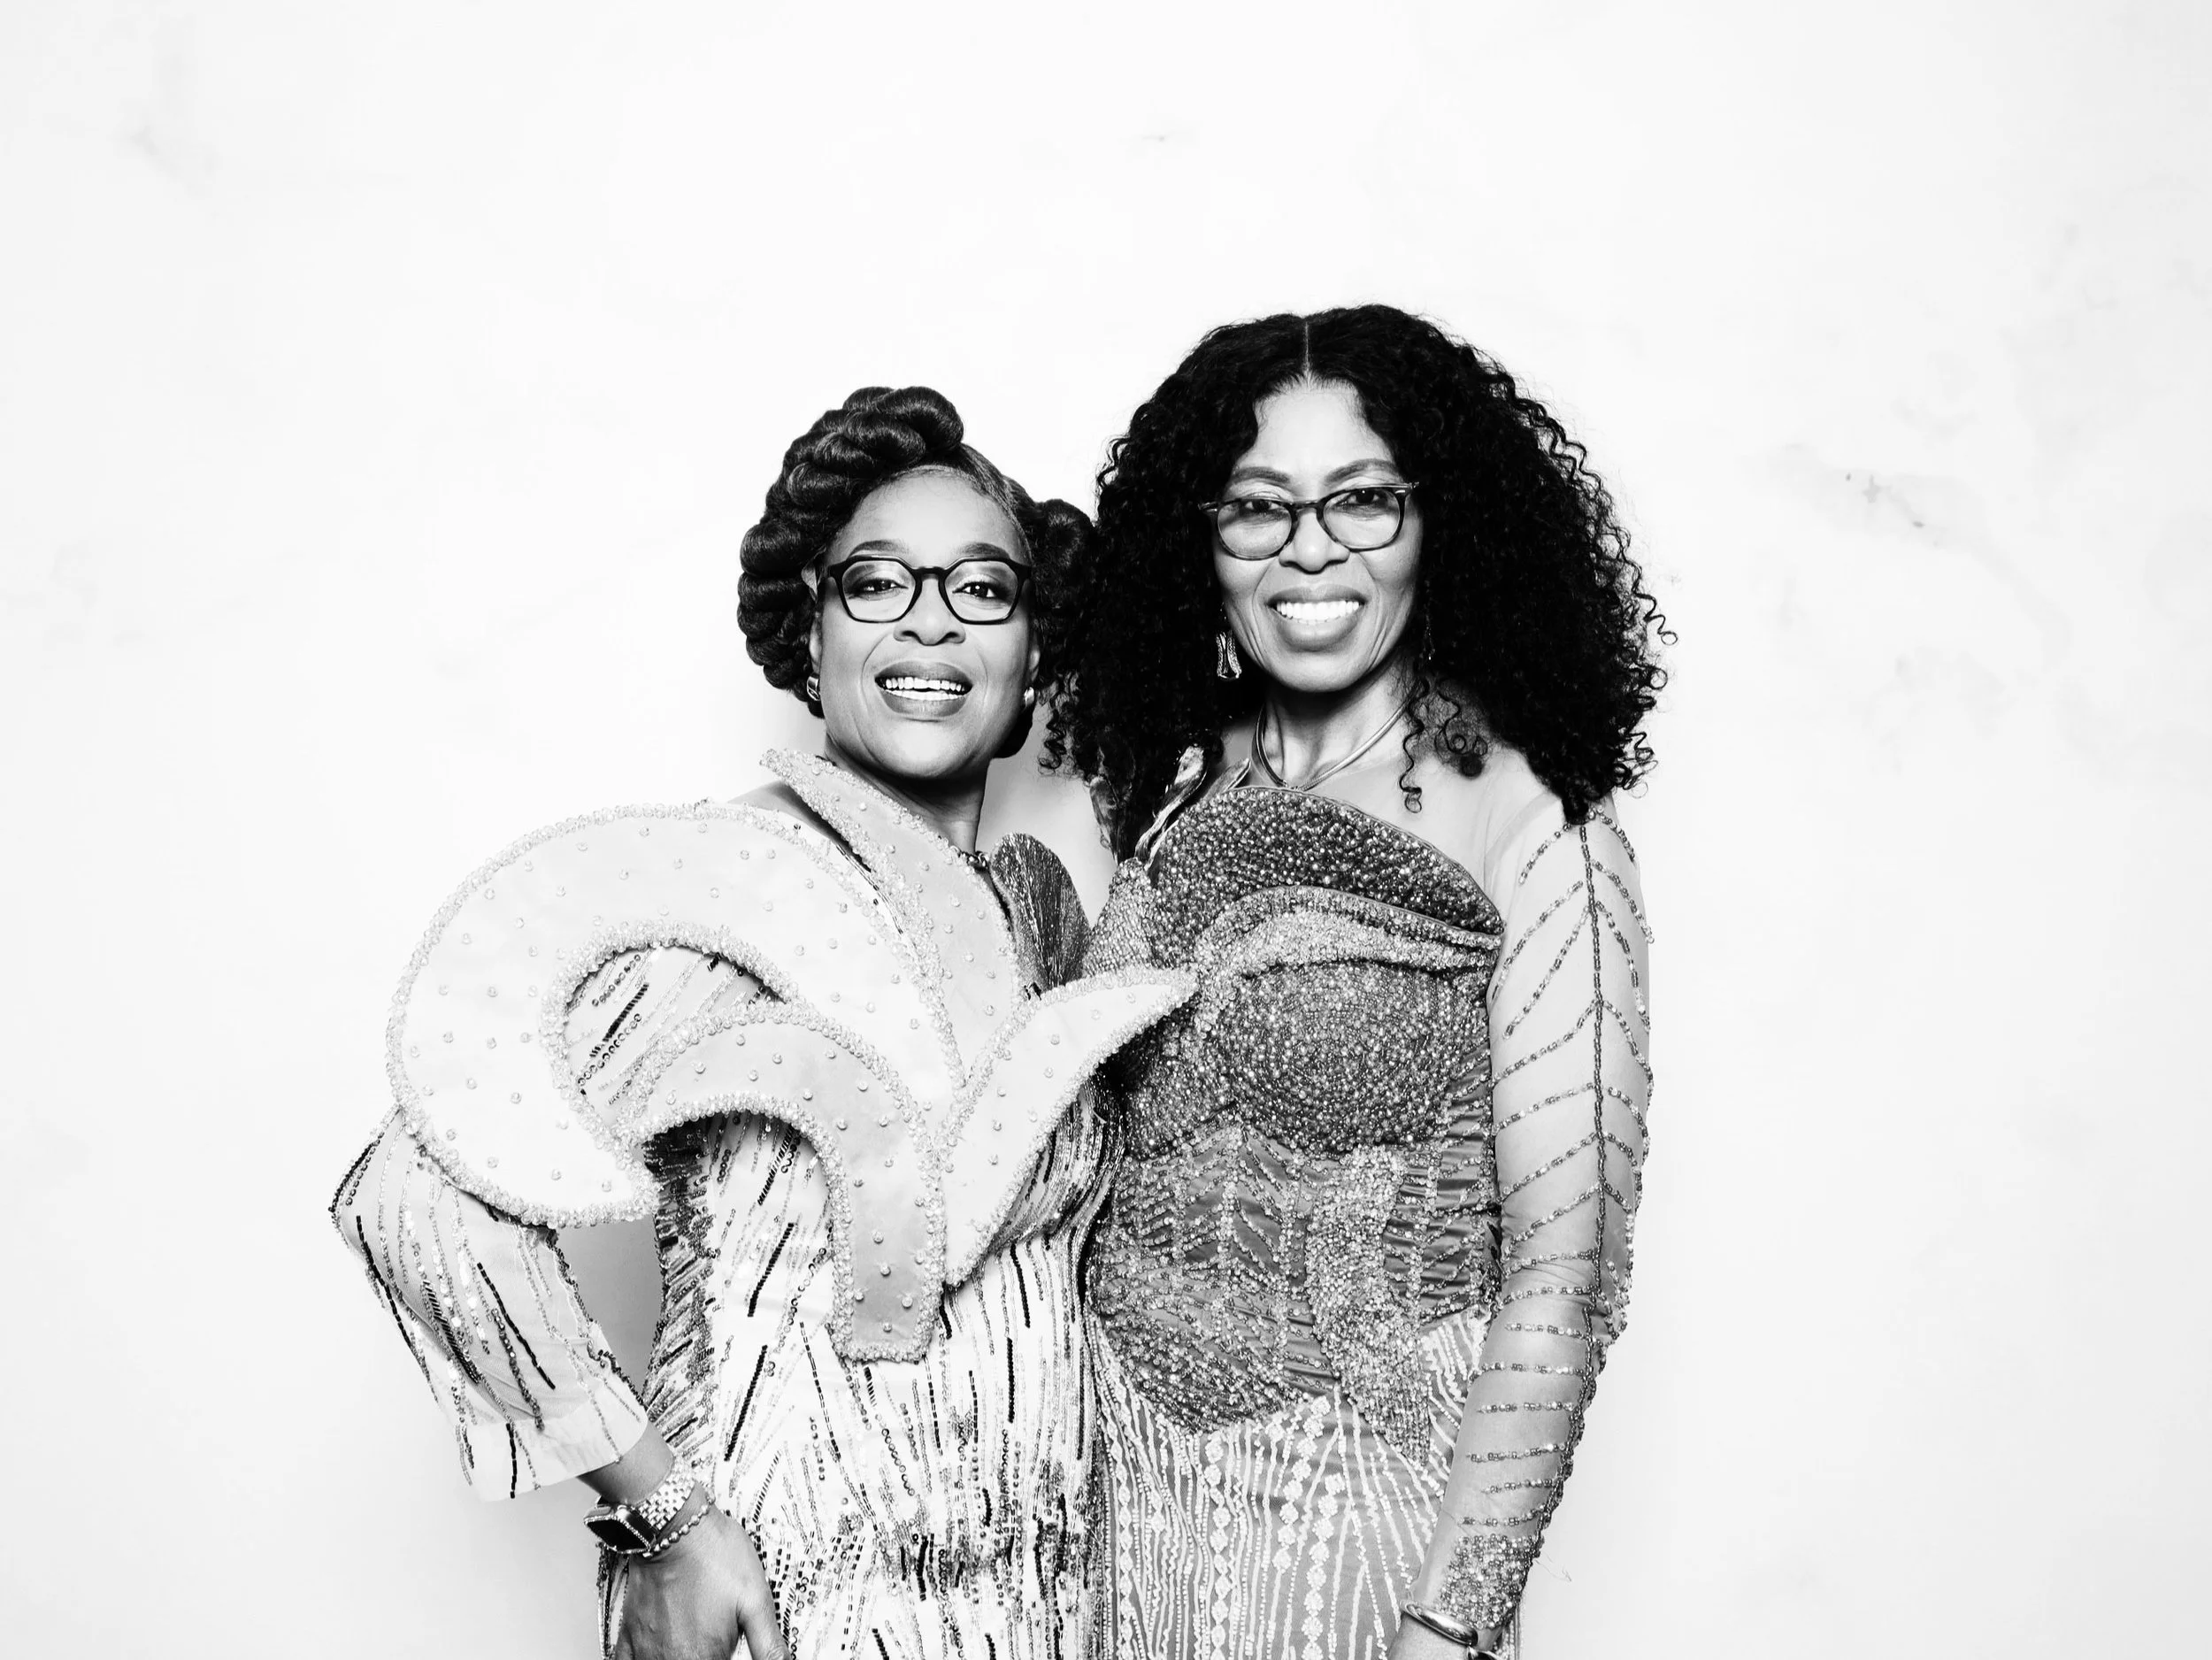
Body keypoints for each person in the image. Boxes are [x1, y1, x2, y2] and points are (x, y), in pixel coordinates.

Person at [333, 386, 1191, 1660]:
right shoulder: (717, 897)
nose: (929, 625)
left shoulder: (1038, 919)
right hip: (802, 1600)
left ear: (1028, 671)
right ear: (811, 638)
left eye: (982, 590)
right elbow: (418, 1199)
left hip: (1035, 1599)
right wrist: (664, 1524)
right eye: (877, 584)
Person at [1048, 306, 1666, 1660]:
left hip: (1372, 1527)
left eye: (1365, 502)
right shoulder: (1171, 785)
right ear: (1198, 543)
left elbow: (1567, 1274)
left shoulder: (1537, 822)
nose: (1312, 548)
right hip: (1112, 1513)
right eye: (1258, 509)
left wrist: (1449, 1627)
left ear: (1442, 527)